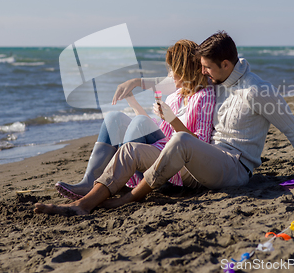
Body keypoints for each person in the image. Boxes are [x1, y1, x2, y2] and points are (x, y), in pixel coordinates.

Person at [35, 31, 294, 215]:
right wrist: (139, 82)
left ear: (225, 64)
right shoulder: (219, 79)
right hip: (203, 160)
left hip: (235, 168)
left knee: (181, 139)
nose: (203, 73)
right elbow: (177, 80)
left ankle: (130, 197)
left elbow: (291, 129)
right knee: (130, 151)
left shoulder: (258, 91)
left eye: (207, 67)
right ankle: (85, 204)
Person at [54, 39, 216, 201]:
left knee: (140, 122)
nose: (169, 74)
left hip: (179, 162)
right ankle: (89, 182)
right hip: (161, 151)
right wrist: (133, 102)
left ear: (184, 69)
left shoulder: (204, 96)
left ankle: (122, 180)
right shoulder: (175, 96)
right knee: (114, 117)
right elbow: (153, 131)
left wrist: (172, 119)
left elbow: (199, 145)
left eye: (172, 69)